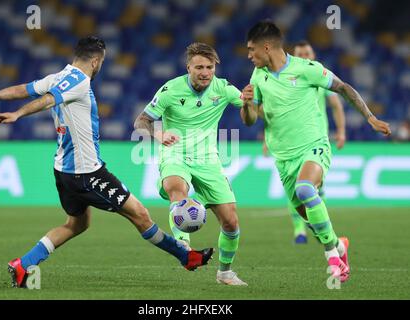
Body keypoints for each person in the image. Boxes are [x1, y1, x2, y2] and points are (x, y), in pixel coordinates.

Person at [0, 36, 213, 288]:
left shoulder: (56, 77)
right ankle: (186, 257)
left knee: (77, 224)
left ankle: (23, 265)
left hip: (64, 171)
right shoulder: (78, 81)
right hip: (88, 173)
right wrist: (17, 114)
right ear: (96, 61)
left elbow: (25, 88)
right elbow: (49, 99)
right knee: (140, 214)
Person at [242, 21, 391, 282]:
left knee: (305, 189)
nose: (249, 55)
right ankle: (339, 245)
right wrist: (246, 105)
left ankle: (332, 258)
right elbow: (251, 119)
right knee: (308, 215)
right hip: (283, 156)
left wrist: (370, 117)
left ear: (267, 47)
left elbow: (343, 87)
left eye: (252, 49)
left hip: (314, 146)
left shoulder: (306, 69)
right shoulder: (257, 77)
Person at [134, 43, 254, 285]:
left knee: (231, 221)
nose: (205, 72)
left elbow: (250, 120)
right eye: (199, 67)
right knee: (177, 189)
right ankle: (184, 247)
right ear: (188, 67)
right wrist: (159, 135)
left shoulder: (223, 88)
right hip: (175, 152)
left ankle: (225, 272)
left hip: (208, 159)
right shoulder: (171, 89)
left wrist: (250, 104)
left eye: (209, 67)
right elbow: (141, 120)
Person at [263, 40, 347, 244]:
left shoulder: (317, 76)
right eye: (299, 54)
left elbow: (336, 105)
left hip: (316, 140)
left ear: (313, 56)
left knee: (311, 188)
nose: (303, 57)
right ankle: (301, 230)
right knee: (298, 188)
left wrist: (341, 131)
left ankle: (320, 229)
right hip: (290, 143)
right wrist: (268, 139)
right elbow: (272, 113)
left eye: (307, 54)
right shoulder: (283, 80)